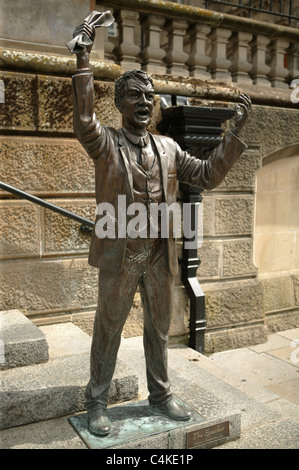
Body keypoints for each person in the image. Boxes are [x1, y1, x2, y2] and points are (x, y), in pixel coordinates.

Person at [71, 22, 251, 436]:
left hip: (158, 254)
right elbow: (83, 119)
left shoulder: (168, 148)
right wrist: (83, 59)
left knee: (159, 326)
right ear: (120, 102)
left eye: (150, 97)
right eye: (135, 95)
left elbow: (206, 174)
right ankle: (96, 401)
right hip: (121, 252)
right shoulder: (105, 143)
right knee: (109, 326)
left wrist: (234, 132)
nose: (145, 102)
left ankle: (161, 394)